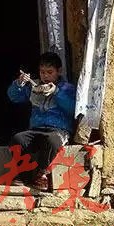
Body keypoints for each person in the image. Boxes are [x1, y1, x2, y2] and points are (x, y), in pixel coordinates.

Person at [7, 52, 76, 191]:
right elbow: (14, 97)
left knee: (52, 141)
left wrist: (56, 92)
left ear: (59, 71)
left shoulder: (67, 88)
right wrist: (19, 83)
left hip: (58, 130)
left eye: (50, 72)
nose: (45, 76)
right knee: (18, 139)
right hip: (36, 129)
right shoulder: (34, 86)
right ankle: (24, 175)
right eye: (42, 72)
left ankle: (42, 174)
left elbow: (72, 108)